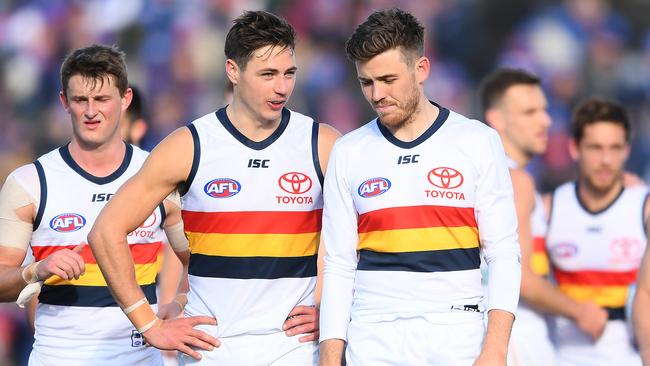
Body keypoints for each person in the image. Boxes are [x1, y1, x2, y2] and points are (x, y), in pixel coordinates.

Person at [88, 10, 340, 365]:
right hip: (212, 352)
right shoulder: (190, 146)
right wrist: (149, 325)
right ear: (233, 72)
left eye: (289, 74)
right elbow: (105, 231)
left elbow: (371, 238)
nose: (281, 87)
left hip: (294, 350)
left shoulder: (323, 144)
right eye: (267, 74)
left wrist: (334, 310)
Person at [318, 8, 521, 366]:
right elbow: (338, 265)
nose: (377, 94)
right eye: (367, 82)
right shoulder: (349, 152)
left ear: (421, 69)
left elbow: (503, 252)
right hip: (373, 338)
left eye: (388, 79)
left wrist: (496, 350)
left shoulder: (477, 141)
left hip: (457, 335)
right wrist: (331, 359)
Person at [0, 44, 191, 365]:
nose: (91, 112)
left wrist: (181, 300)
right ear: (64, 101)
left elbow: (202, 261)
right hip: (59, 357)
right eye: (80, 100)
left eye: (102, 99)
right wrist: (35, 270)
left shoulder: (159, 175)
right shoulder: (30, 182)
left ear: (125, 99)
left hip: (140, 357)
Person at [481, 68, 610, 366]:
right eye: (530, 112)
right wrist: (580, 311)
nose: (546, 121)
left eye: (545, 109)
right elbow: (521, 278)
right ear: (497, 119)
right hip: (518, 338)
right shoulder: (515, 181)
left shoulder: (503, 177)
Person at [546, 97, 646, 366]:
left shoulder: (644, 208)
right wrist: (576, 311)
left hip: (630, 357)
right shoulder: (549, 208)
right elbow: (524, 281)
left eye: (615, 148)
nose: (606, 160)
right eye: (595, 148)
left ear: (627, 150)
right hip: (561, 356)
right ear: (575, 148)